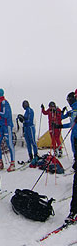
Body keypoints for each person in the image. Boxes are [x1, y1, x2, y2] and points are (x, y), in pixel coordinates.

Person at [53, 92, 77, 224]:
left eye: (70, 99)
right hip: (74, 137)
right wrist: (59, 124)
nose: (69, 101)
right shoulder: (73, 109)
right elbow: (68, 122)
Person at [0, 89, 15, 172]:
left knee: (9, 144)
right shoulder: (0, 102)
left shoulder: (4, 102)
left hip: (7, 126)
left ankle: (13, 163)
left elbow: (5, 114)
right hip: (1, 126)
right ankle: (0, 162)